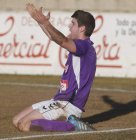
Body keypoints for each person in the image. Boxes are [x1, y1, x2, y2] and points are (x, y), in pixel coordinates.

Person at [12, 3, 97, 132]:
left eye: (73, 23)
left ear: (82, 29)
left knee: (24, 125)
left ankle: (73, 125)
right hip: (59, 101)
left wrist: (45, 23)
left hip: (68, 104)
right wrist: (39, 21)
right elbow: (54, 37)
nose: (69, 26)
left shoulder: (84, 46)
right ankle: (69, 122)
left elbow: (61, 40)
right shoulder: (80, 45)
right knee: (16, 121)